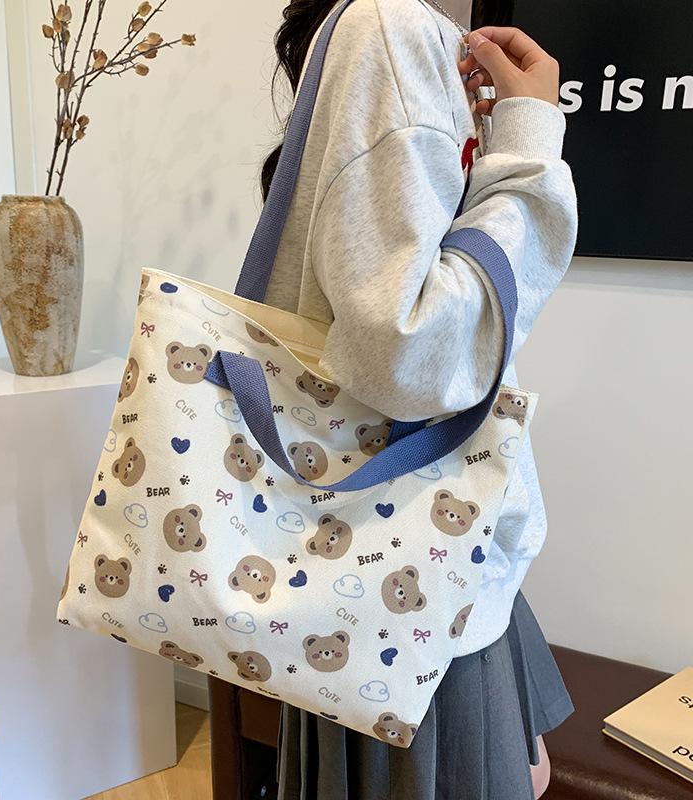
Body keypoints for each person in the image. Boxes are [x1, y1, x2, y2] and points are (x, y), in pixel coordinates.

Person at [257, 0, 578, 797]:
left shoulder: (390, 32)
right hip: (410, 589)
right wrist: (530, 136)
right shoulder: (389, 27)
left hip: (380, 558)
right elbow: (408, 350)